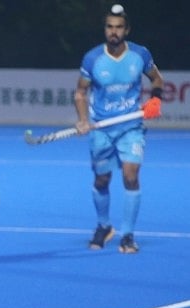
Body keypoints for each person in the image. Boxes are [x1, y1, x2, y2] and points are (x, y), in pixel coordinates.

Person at [74, 4, 164, 254]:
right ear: (105, 29)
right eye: (110, 27)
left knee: (130, 176)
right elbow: (80, 92)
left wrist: (155, 100)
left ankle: (128, 235)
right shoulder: (92, 59)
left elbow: (157, 79)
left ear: (127, 30)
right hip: (102, 129)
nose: (114, 32)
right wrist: (83, 120)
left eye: (119, 27)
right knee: (101, 179)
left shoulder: (140, 55)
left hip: (130, 127)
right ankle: (104, 226)